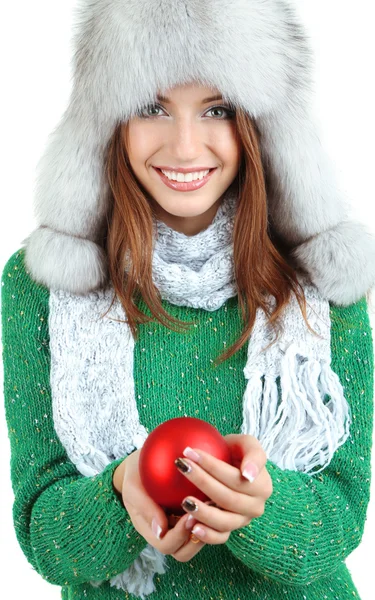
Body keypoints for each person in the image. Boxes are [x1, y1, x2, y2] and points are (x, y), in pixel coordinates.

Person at [1, 1, 375, 599]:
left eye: (217, 109)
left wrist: (261, 508)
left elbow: (343, 518)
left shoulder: (321, 285)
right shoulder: (43, 286)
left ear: (261, 123)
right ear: (108, 119)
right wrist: (120, 490)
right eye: (153, 107)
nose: (184, 146)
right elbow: (45, 536)